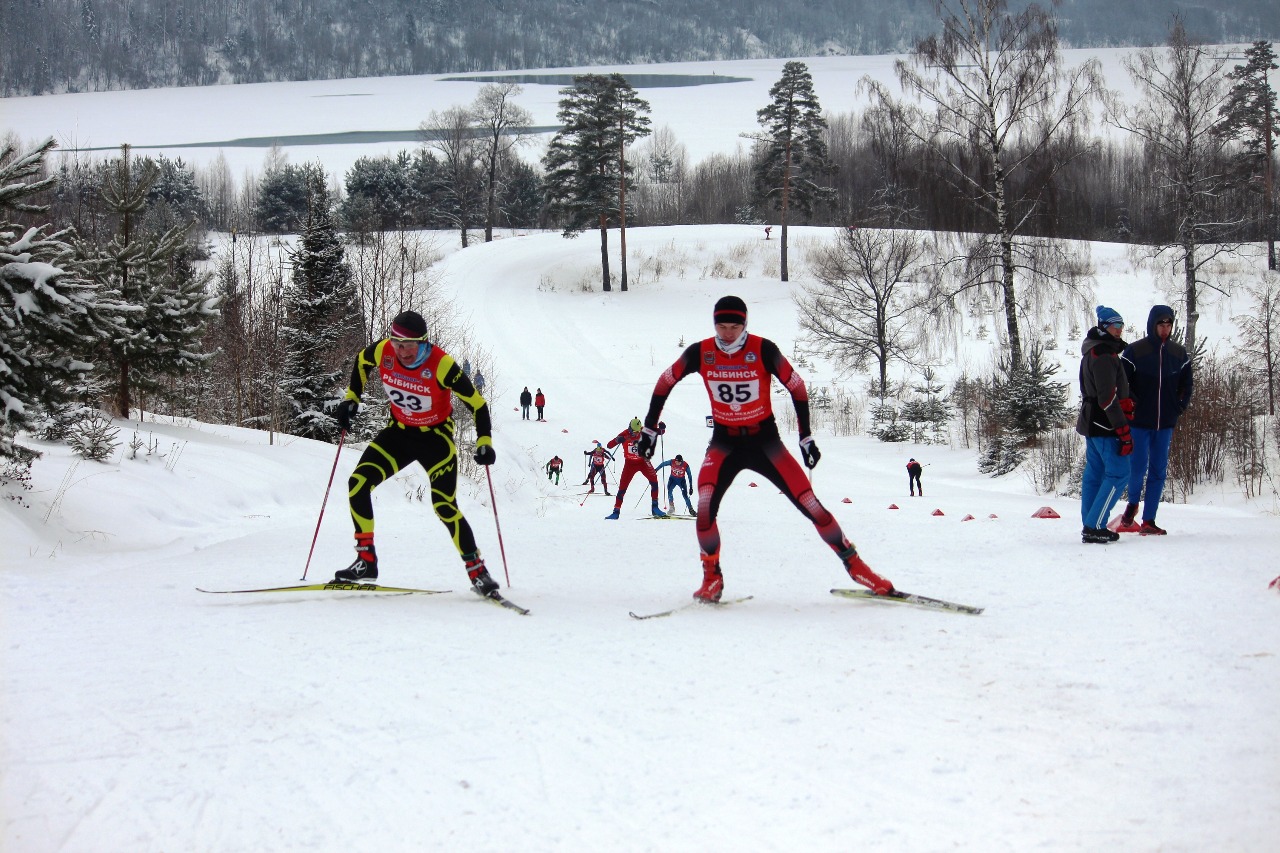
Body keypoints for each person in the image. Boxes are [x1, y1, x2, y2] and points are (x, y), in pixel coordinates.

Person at [636, 295, 894, 602]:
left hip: (764, 442)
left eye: (735, 326)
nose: (728, 333)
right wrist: (650, 429)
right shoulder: (701, 352)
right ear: (714, 323)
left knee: (811, 505)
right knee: (704, 508)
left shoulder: (762, 349)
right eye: (722, 325)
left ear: (745, 324)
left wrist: (806, 436)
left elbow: (796, 386)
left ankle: (859, 569)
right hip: (725, 442)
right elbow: (665, 382)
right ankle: (712, 579)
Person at [332, 310, 500, 596]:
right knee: (357, 484)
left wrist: (484, 440)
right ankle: (366, 560)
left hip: (435, 439)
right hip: (399, 433)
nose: (402, 351)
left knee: (444, 505)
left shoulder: (442, 364)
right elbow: (362, 361)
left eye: (409, 346)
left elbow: (477, 404)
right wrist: (352, 398)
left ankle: (477, 571)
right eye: (397, 344)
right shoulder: (384, 351)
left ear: (423, 343)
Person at [1118, 305, 1193, 535]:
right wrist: (1130, 404)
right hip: (1139, 422)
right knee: (1137, 467)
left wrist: (1178, 406)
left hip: (1165, 423)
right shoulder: (1135, 352)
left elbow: (1187, 384)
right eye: (1161, 324)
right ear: (1152, 325)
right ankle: (1132, 504)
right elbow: (1122, 383)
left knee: (1159, 471)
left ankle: (1149, 520)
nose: (1165, 329)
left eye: (1169, 325)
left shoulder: (1178, 354)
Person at [1075, 305, 1134, 544]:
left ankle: (1090, 522)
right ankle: (1095, 524)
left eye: (1121, 325)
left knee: (1095, 473)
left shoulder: (1094, 351)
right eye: (1114, 326)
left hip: (1093, 422)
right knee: (1119, 473)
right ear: (1104, 327)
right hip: (1105, 425)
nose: (1119, 330)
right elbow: (1108, 397)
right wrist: (1123, 430)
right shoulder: (1104, 356)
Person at [605, 418, 666, 519]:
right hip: (629, 464)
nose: (636, 433)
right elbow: (609, 445)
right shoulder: (624, 434)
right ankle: (616, 511)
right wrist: (618, 440)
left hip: (643, 462)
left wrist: (662, 427)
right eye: (634, 431)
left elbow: (660, 432)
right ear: (629, 428)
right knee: (622, 487)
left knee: (654, 481)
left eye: (638, 431)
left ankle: (655, 508)